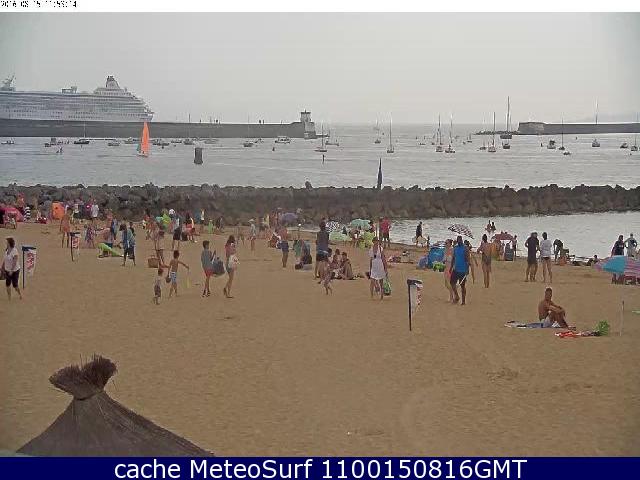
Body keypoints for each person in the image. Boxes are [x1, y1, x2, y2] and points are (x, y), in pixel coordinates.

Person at [450, 236, 474, 305]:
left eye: (460, 240)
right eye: (458, 240)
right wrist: (451, 267)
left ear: (462, 240)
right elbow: (453, 258)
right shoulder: (455, 248)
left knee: (462, 286)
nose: (459, 241)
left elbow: (468, 260)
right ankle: (457, 296)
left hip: (463, 270)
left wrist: (467, 269)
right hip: (456, 269)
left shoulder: (465, 248)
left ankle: (463, 301)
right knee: (452, 283)